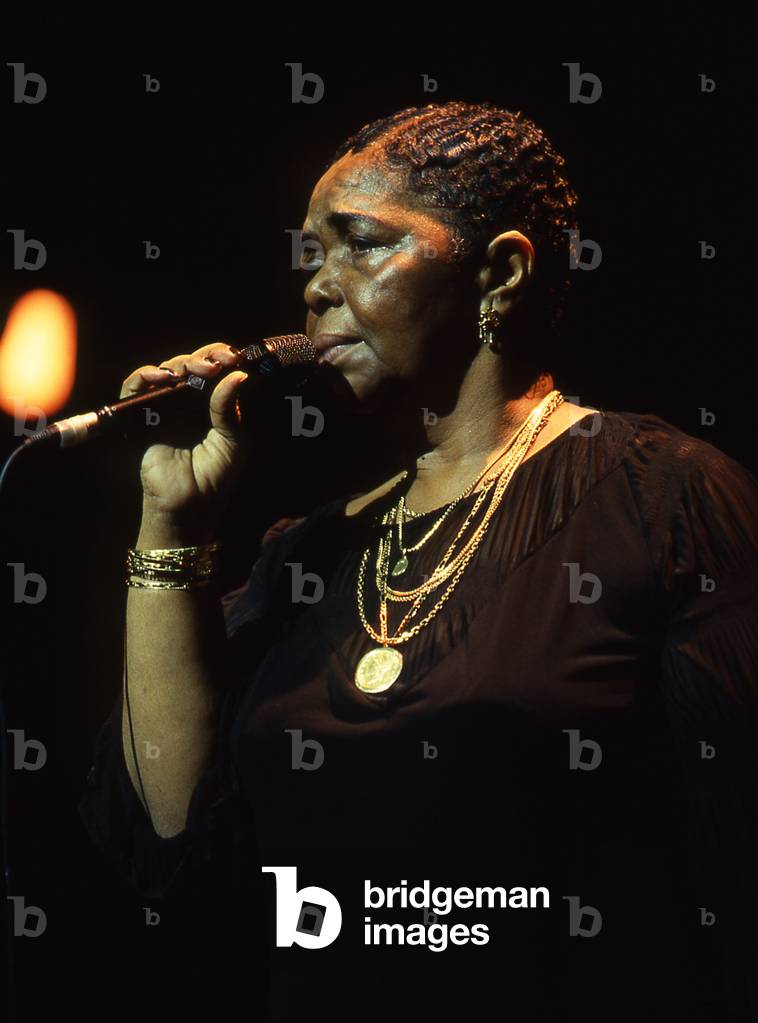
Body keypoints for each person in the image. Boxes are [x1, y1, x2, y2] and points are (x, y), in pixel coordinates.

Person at [78, 101, 758, 1022]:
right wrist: (171, 521)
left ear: (501, 274)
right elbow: (173, 834)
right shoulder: (309, 553)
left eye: (359, 244)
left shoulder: (662, 500)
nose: (317, 286)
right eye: (313, 255)